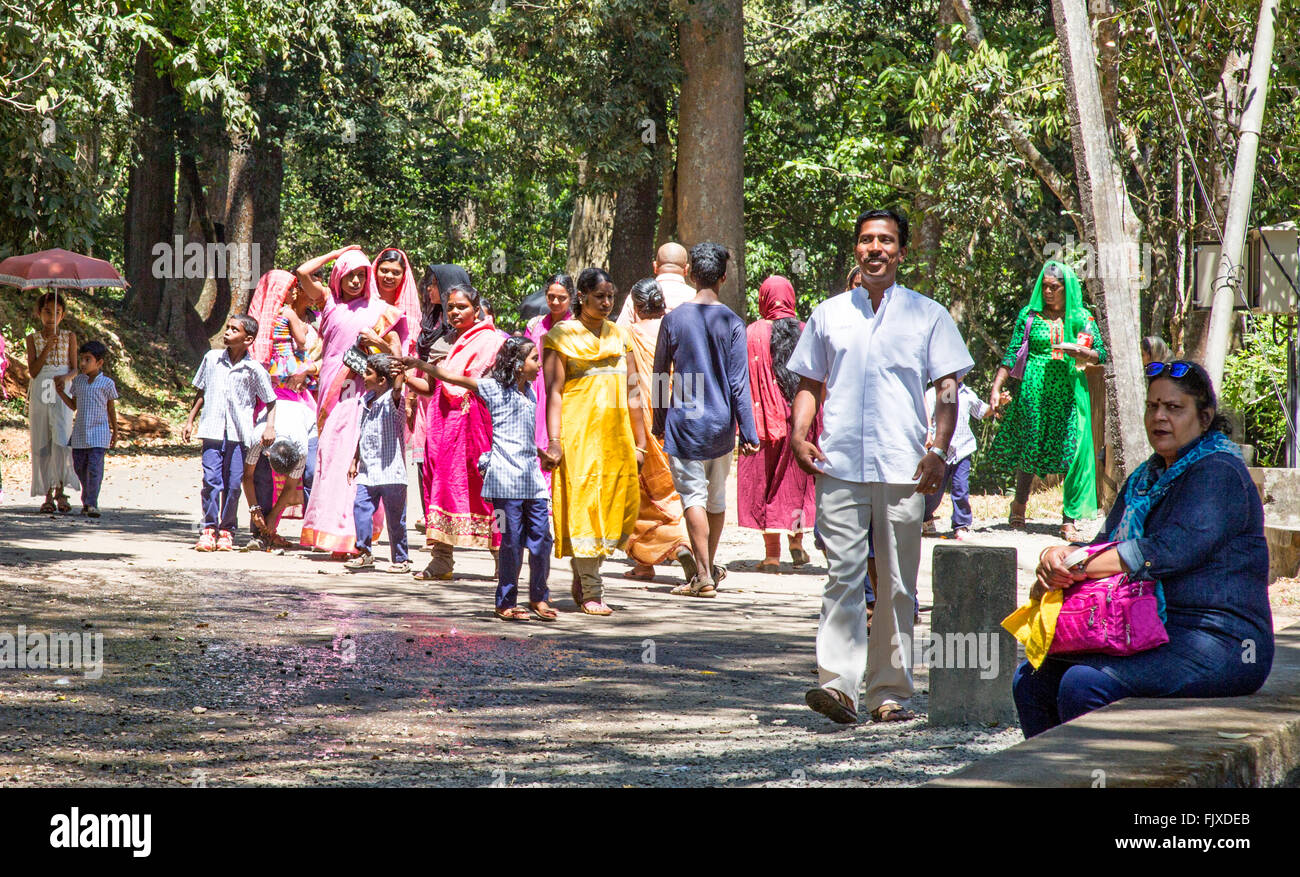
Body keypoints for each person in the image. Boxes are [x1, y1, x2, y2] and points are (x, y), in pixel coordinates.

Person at [1013, 361, 1273, 737]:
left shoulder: (1219, 473)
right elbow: (1103, 544)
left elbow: (1168, 550)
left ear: (1205, 417)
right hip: (1144, 627)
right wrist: (1056, 555)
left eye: (1174, 408)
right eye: (1153, 406)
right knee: (1033, 677)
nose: (1159, 417)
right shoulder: (1146, 477)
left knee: (1084, 684)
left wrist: (1081, 564)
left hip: (1222, 642)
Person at [790, 208, 974, 724]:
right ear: (856, 250)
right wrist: (798, 433)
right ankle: (839, 688)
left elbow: (947, 388)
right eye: (867, 240)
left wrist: (938, 449)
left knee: (896, 583)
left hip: (904, 466)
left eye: (886, 240)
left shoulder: (928, 314)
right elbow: (809, 382)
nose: (876, 248)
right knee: (842, 575)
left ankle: (890, 693)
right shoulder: (828, 314)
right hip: (839, 463)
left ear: (901, 251)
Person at [404, 337, 556, 621]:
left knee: (542, 540)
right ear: (517, 365)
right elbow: (451, 376)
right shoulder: (494, 389)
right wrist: (418, 364)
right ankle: (505, 602)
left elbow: (522, 434)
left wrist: (541, 453)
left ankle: (539, 597)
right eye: (534, 359)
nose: (538, 365)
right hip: (502, 484)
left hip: (532, 481)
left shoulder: (531, 394)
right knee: (508, 541)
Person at [652, 244, 759, 597]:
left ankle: (703, 574)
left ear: (690, 274)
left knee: (692, 499)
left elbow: (658, 376)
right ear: (724, 278)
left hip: (685, 424)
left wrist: (658, 420)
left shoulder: (673, 319)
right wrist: (749, 431)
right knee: (715, 500)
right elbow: (739, 382)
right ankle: (706, 570)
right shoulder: (732, 321)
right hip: (721, 426)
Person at [543, 267, 644, 616]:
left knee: (614, 505)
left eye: (611, 296)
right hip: (578, 435)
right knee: (585, 504)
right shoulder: (560, 336)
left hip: (616, 438)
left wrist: (641, 442)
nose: (606, 302)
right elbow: (553, 392)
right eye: (599, 296)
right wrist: (554, 441)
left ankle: (584, 572)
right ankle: (592, 590)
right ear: (581, 296)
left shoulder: (620, 335)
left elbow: (633, 392)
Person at [294, 246, 405, 555]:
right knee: (329, 460)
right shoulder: (328, 303)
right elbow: (303, 272)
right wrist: (339, 252)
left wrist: (369, 353)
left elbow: (391, 357)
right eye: (349, 275)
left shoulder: (379, 310)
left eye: (361, 275)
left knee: (354, 461)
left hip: (363, 394)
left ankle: (355, 536)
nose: (356, 281)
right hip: (331, 394)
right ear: (338, 277)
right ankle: (329, 530)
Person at [987, 261, 1106, 541]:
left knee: (1072, 452)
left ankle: (1069, 518)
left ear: (1067, 289)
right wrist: (996, 387)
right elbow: (1012, 352)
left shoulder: (1081, 317)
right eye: (1045, 287)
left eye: (1055, 287)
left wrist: (1083, 354)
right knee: (1031, 446)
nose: (1049, 292)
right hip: (1034, 390)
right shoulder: (1030, 316)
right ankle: (1019, 503)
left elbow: (1100, 352)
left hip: (1069, 391)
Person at [414, 282, 505, 580]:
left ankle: (502, 559)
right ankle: (441, 560)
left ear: (477, 310)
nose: (454, 312)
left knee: (487, 487)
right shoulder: (442, 343)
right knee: (440, 485)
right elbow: (429, 387)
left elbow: (491, 386)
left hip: (477, 424)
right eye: (450, 306)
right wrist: (401, 373)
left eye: (462, 306)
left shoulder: (491, 341)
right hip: (443, 424)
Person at [739, 275, 817, 571]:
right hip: (801, 423)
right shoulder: (805, 330)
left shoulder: (752, 332)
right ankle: (796, 542)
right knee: (794, 484)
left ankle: (772, 555)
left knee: (766, 485)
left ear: (763, 299)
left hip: (763, 423)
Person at [623, 277, 696, 582]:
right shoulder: (677, 331)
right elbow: (690, 378)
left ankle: (647, 562)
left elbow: (627, 386)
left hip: (640, 422)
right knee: (675, 492)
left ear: (637, 307)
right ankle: (682, 544)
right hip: (676, 420)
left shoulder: (626, 335)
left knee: (642, 494)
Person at [183, 315, 277, 552]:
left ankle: (227, 530)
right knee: (211, 481)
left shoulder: (253, 369)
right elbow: (202, 392)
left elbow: (271, 401)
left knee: (234, 485)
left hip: (239, 434)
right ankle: (208, 529)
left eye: (234, 330)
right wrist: (189, 420)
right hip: (212, 430)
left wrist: (269, 426)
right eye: (227, 327)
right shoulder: (211, 359)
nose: (227, 332)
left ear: (248, 339)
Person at [410, 264, 474, 533]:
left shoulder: (477, 336)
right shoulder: (433, 326)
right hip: (431, 403)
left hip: (463, 410)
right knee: (428, 462)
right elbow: (426, 378)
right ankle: (434, 522)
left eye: (434, 284)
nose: (429, 289)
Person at [344, 354, 410, 573]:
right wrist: (354, 460)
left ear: (383, 380)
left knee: (395, 520)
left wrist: (399, 375)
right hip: (367, 470)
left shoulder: (393, 399)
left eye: (368, 372)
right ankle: (364, 552)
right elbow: (362, 434)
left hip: (392, 472)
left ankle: (400, 559)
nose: (363, 376)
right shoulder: (366, 401)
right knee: (360, 507)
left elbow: (398, 389)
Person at [242, 394, 318, 550]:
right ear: (268, 454)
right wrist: (254, 509)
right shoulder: (258, 440)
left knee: (311, 475)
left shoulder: (301, 449)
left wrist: (274, 514)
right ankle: (261, 533)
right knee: (262, 478)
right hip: (273, 420)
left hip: (306, 422)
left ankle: (315, 532)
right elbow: (248, 476)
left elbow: (291, 486)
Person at [26, 291, 79, 512]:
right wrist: (48, 345)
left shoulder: (69, 337)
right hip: (41, 388)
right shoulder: (32, 338)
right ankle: (47, 493)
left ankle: (61, 491)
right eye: (47, 312)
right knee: (43, 438)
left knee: (61, 436)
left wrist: (66, 378)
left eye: (56, 313)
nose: (51, 317)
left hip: (61, 388)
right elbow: (34, 370)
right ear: (39, 313)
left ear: (63, 315)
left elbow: (75, 367)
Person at [53, 340, 118, 517]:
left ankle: (91, 503)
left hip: (99, 433)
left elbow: (111, 408)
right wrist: (60, 393)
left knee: (94, 468)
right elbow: (74, 406)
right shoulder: (79, 382)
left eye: (87, 360)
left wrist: (115, 431)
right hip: (80, 434)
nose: (82, 364)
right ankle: (87, 496)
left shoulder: (107, 384)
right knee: (79, 466)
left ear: (99, 362)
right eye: (81, 359)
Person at [922, 378, 991, 539]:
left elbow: (981, 412)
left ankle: (961, 524)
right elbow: (927, 419)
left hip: (962, 448)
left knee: (961, 488)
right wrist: (928, 434)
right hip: (939, 450)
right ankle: (925, 517)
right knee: (933, 489)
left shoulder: (968, 394)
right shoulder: (933, 393)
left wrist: (996, 405)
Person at [524, 273, 573, 489]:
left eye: (561, 298)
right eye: (551, 296)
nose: (555, 302)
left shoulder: (575, 327)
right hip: (535, 387)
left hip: (562, 388)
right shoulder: (535, 325)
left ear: (571, 298)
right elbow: (524, 354)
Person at [615, 242, 696, 327]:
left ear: (655, 266)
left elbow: (620, 332)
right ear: (686, 269)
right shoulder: (696, 297)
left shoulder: (638, 295)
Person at [372, 248, 423, 355]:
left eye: (396, 273)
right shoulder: (363, 303)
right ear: (376, 271)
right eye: (384, 271)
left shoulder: (409, 312)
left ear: (403, 275)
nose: (389, 276)